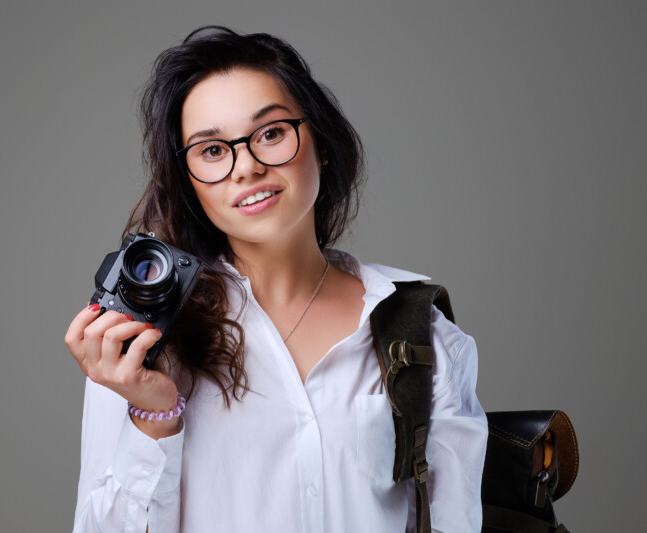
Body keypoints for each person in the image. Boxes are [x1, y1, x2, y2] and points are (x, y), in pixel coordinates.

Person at [64, 26, 487, 533]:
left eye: (270, 133)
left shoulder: (419, 332)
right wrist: (153, 415)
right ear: (189, 181)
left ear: (321, 143)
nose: (246, 167)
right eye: (212, 150)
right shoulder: (143, 342)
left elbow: (454, 521)